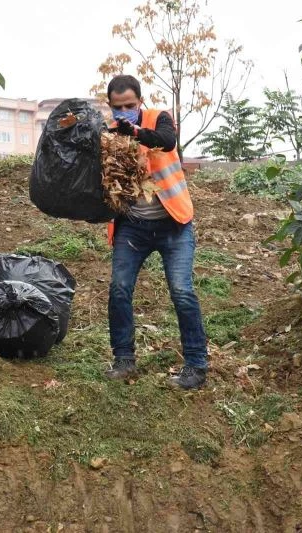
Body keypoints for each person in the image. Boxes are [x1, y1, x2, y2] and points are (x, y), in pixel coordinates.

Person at [104, 74, 208, 389]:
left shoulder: (158, 118)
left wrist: (135, 132)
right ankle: (123, 359)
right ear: (110, 105)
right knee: (119, 288)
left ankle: (196, 365)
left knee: (182, 291)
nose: (124, 111)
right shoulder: (108, 134)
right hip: (132, 228)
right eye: (118, 107)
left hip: (173, 224)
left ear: (140, 101)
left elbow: (166, 140)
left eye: (130, 105)